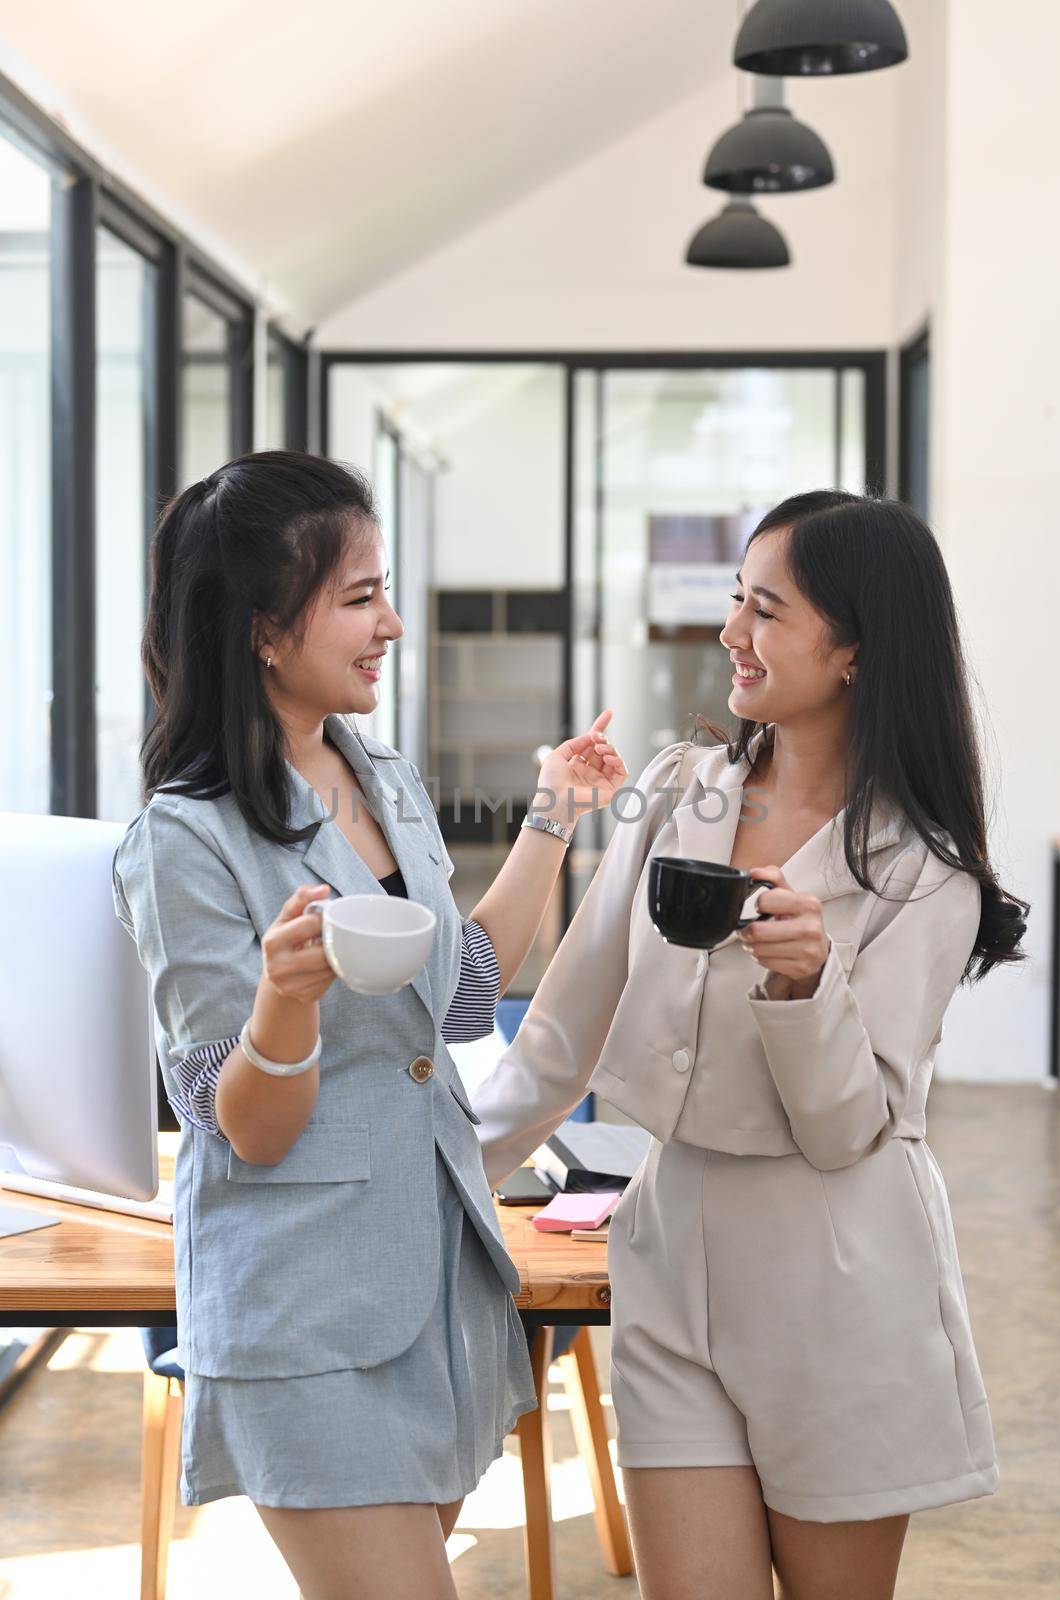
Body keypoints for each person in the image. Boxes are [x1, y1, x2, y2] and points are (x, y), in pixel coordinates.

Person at [472, 490, 1028, 1600]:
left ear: (856, 650)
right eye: (736, 599)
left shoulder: (927, 875)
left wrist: (804, 982)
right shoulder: (680, 793)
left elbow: (843, 1128)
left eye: (765, 609)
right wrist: (434, 1170)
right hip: (670, 1256)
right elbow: (561, 1029)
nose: (731, 630)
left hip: (839, 1284)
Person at [111, 448, 629, 1600]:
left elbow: (451, 994)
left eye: (381, 590)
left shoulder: (378, 770)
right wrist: (281, 1005)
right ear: (260, 629)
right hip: (305, 1307)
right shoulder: (181, 840)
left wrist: (552, 810)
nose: (391, 622)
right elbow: (240, 1126)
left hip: (436, 1280)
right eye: (359, 598)